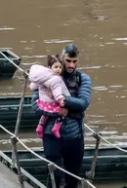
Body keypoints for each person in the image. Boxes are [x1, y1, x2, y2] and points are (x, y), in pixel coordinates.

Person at [35, 44, 92, 188]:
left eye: (74, 61)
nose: (71, 65)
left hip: (74, 137)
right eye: (68, 61)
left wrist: (64, 103)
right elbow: (35, 106)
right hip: (51, 136)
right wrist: (56, 110)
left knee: (73, 179)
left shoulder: (82, 79)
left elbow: (83, 103)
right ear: (61, 58)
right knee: (54, 176)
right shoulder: (45, 77)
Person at [29, 55, 68, 138]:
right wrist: (61, 99)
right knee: (63, 113)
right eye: (56, 67)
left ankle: (40, 127)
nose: (58, 69)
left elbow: (33, 87)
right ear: (50, 67)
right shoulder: (56, 79)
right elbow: (57, 92)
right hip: (52, 104)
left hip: (42, 104)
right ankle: (56, 128)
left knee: (45, 115)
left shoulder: (41, 77)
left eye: (60, 67)